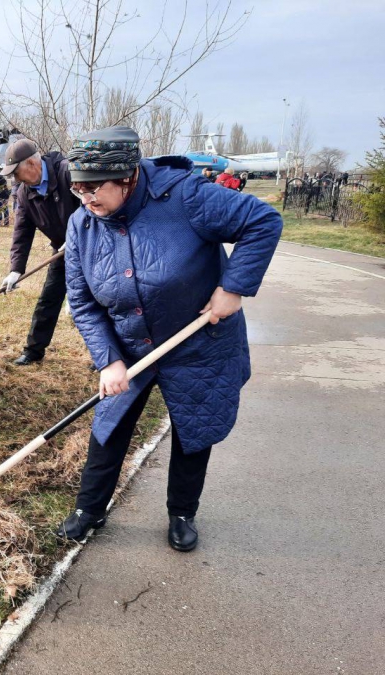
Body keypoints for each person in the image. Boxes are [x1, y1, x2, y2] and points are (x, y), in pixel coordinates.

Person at [56, 126, 282, 551]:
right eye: (76, 188)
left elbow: (262, 220)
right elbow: (83, 303)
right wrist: (108, 359)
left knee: (193, 427)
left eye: (92, 187)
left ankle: (182, 513)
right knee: (109, 424)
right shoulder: (82, 224)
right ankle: (89, 509)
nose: (84, 198)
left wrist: (232, 287)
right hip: (129, 344)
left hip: (200, 341)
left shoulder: (188, 197)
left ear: (127, 178)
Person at [0, 138, 80, 365]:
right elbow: (22, 232)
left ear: (32, 164)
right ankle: (33, 351)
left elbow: (93, 205)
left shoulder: (68, 172)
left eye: (16, 172)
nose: (14, 178)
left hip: (95, 249)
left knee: (100, 302)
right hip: (61, 252)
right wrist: (16, 269)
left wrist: (77, 236)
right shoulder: (24, 193)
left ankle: (107, 356)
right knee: (48, 300)